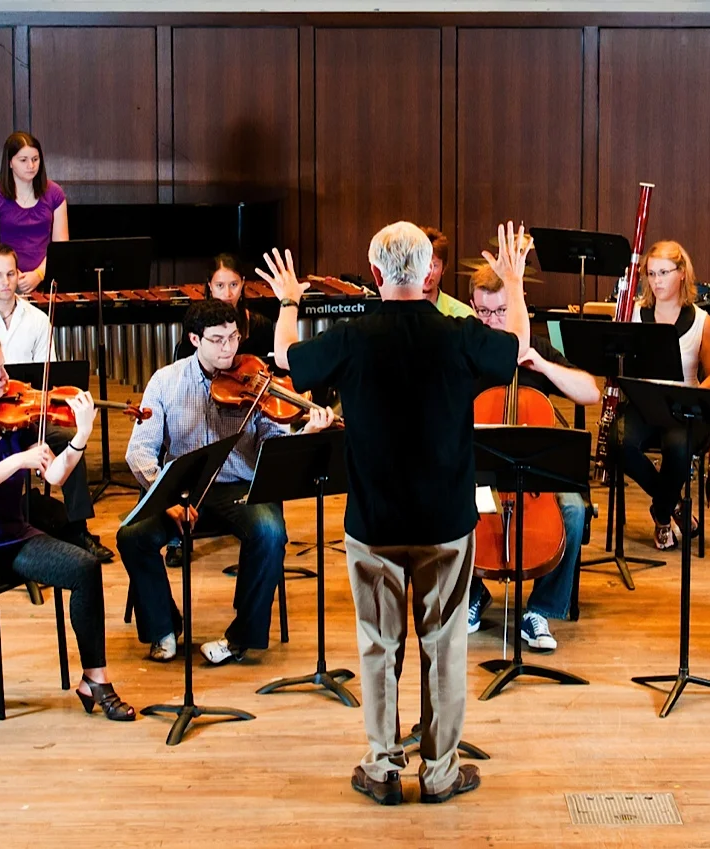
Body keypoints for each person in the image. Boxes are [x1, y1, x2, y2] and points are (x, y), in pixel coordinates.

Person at [267, 221, 531, 806]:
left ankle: (383, 769)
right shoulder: (460, 335)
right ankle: (439, 774)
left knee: (378, 646)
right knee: (445, 648)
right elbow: (514, 349)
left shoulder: (352, 337)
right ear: (428, 271)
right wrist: (513, 283)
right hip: (444, 521)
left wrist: (289, 299)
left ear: (377, 272)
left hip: (374, 523)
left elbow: (287, 357)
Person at [0, 332, 133, 725]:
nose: (7, 377)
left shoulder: (12, 418)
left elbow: (52, 474)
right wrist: (16, 461)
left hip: (12, 537)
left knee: (85, 569)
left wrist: (81, 438)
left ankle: (94, 678)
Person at [117, 298, 335, 664]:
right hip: (183, 488)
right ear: (194, 340)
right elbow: (139, 450)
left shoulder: (255, 378)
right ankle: (164, 627)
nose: (229, 348)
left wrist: (307, 432)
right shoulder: (166, 381)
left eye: (234, 337)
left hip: (240, 487)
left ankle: (241, 637)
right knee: (131, 536)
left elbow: (275, 442)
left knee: (270, 533)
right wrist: (165, 495)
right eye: (217, 340)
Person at [0, 243, 114, 563]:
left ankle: (78, 529)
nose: (6, 282)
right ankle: (3, 528)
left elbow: (46, 378)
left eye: (11, 273)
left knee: (67, 440)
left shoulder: (38, 320)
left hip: (25, 414)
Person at [464, 262, 600, 649]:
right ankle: (474, 594)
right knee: (451, 504)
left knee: (573, 510)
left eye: (501, 311)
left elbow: (590, 391)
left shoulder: (535, 346)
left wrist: (541, 365)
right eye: (484, 311)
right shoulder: (467, 346)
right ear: (473, 307)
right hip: (481, 471)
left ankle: (540, 609)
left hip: (537, 473)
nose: (492, 321)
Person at [620, 240, 710, 550]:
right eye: (651, 274)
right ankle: (674, 505)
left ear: (682, 273)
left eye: (663, 273)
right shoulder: (637, 315)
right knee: (619, 443)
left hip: (685, 404)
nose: (656, 281)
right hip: (645, 402)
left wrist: (693, 399)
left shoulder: (702, 322)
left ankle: (662, 514)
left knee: (679, 449)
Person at [0, 131, 68, 295]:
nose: (31, 166)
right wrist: (12, 275)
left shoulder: (55, 193)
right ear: (10, 162)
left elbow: (61, 247)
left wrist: (38, 275)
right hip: (5, 282)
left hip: (46, 280)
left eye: (35, 159)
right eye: (23, 160)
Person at [174, 253, 275, 360]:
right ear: (210, 286)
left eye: (233, 285)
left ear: (242, 283)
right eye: (220, 285)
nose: (227, 294)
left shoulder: (262, 326)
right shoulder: (194, 323)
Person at [420, 227, 475, 318]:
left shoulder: (463, 315)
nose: (428, 273)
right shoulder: (396, 315)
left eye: (434, 265)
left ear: (444, 268)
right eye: (421, 265)